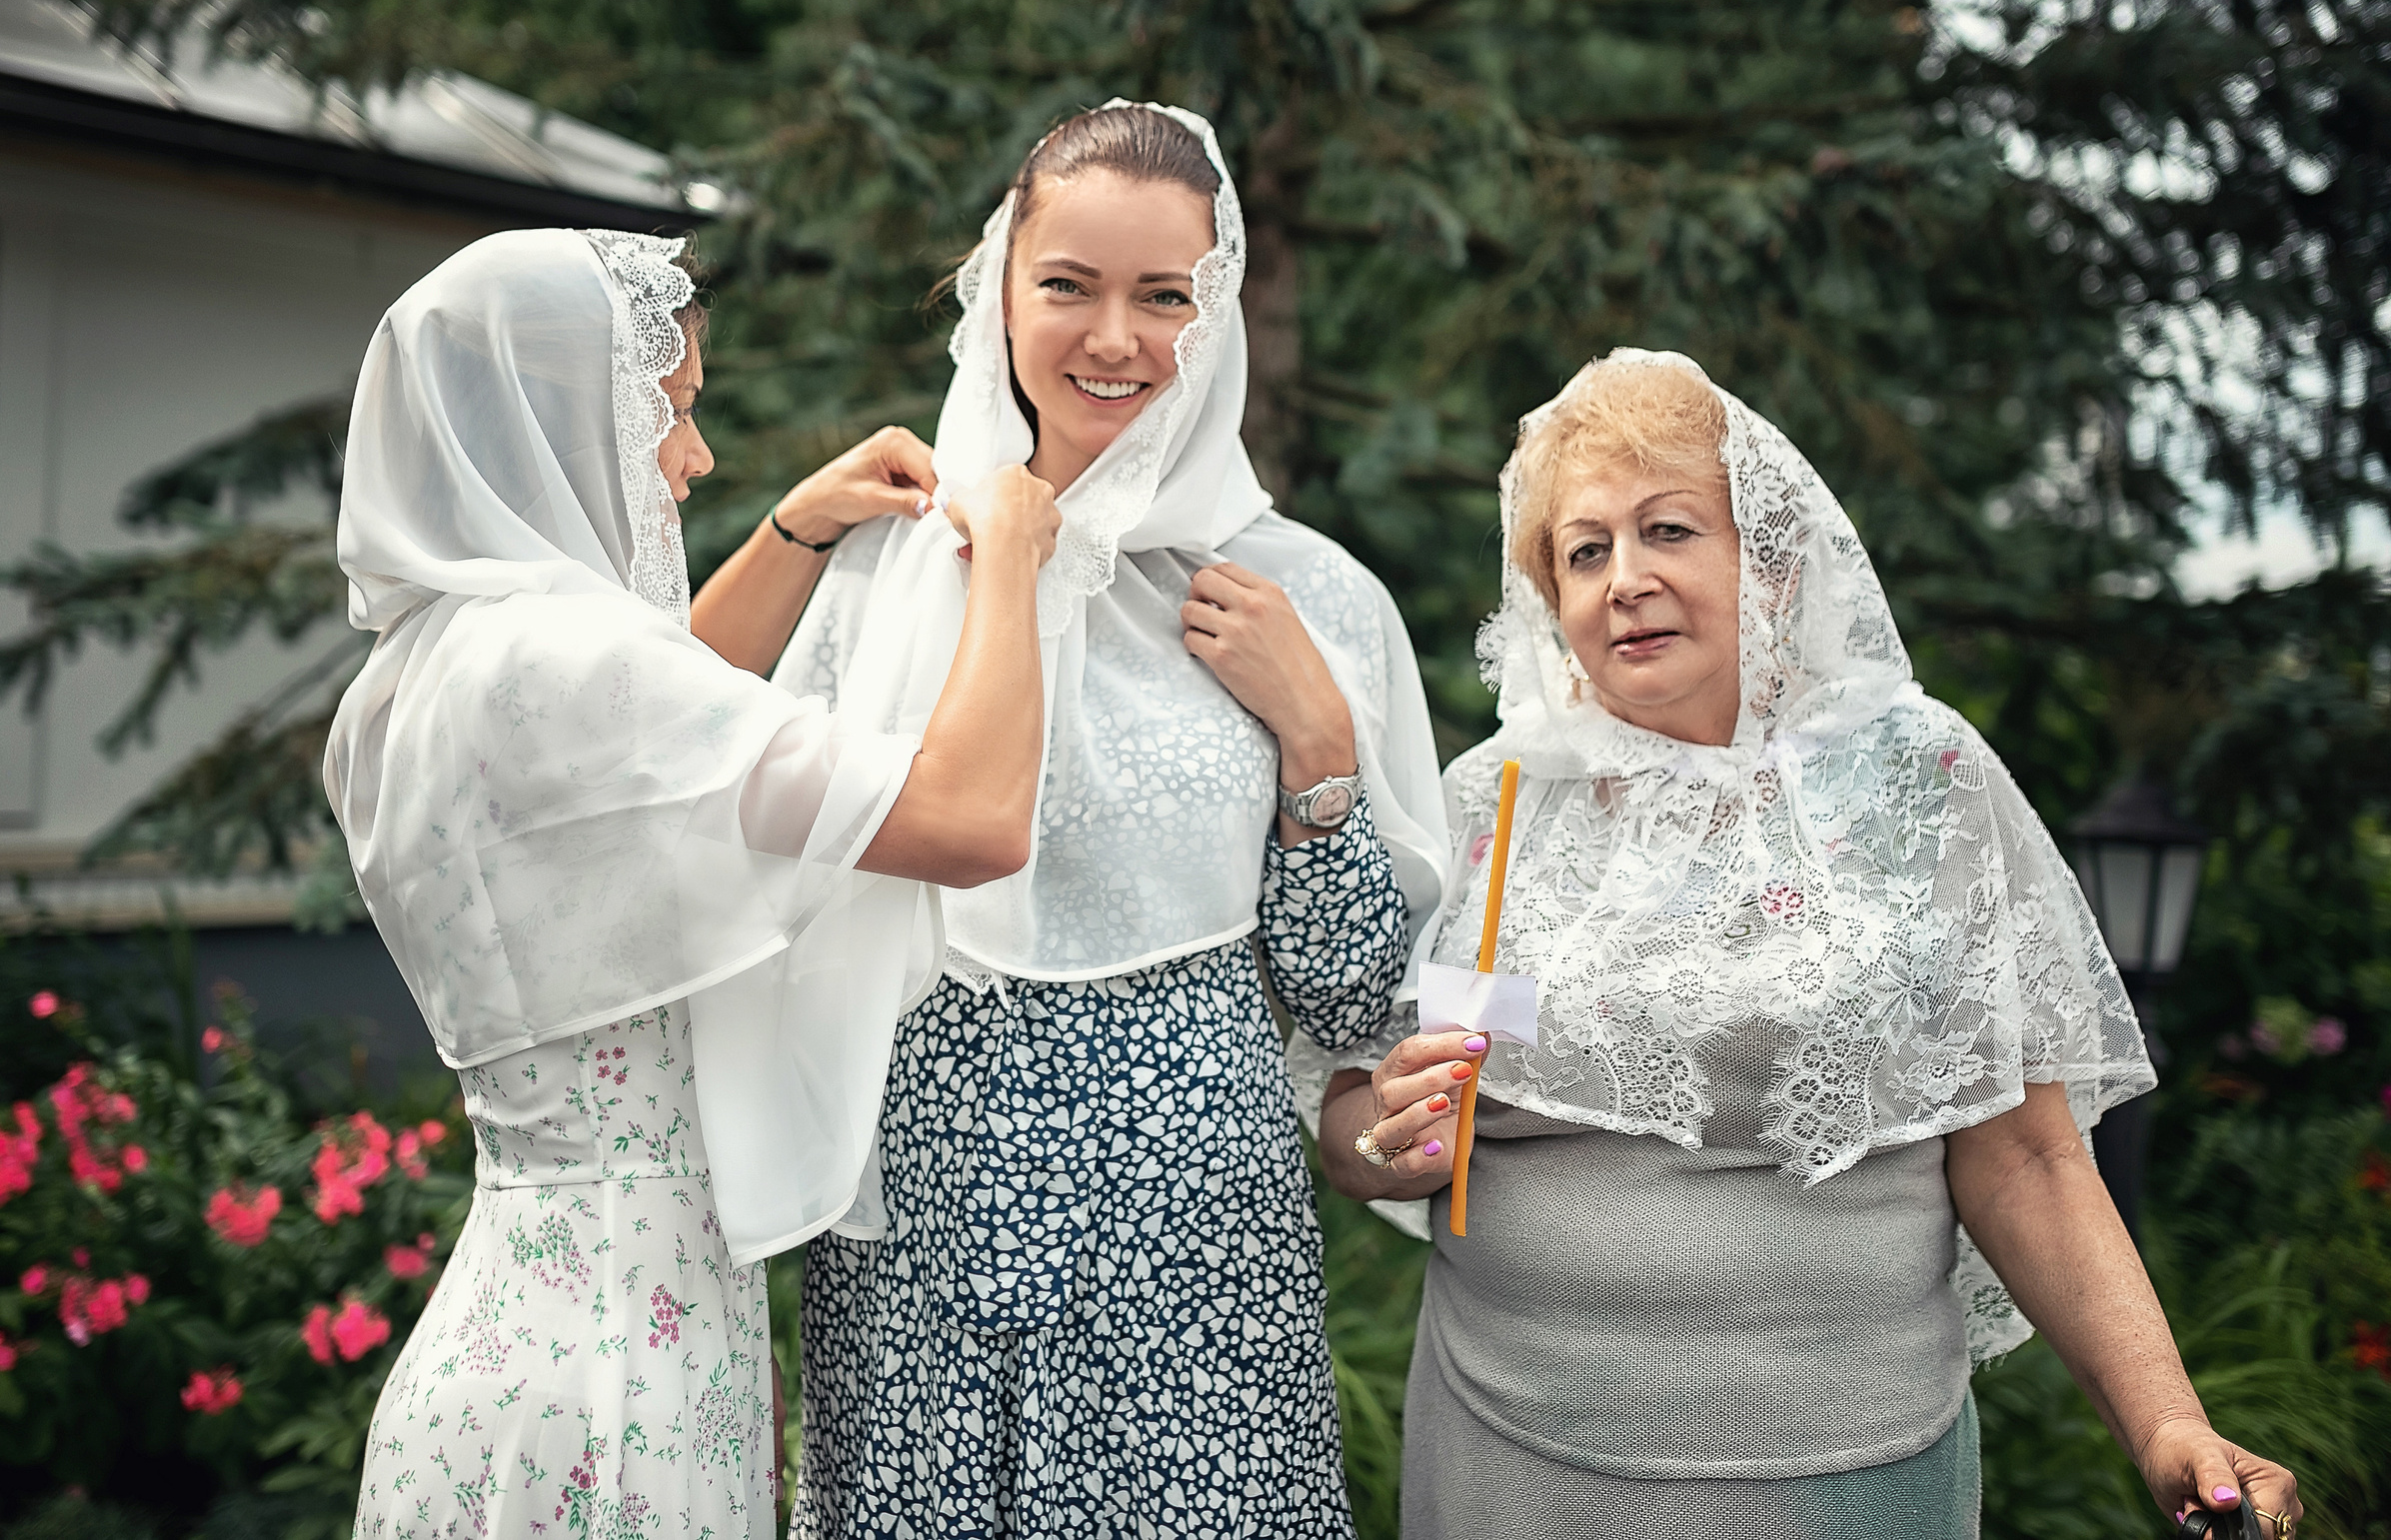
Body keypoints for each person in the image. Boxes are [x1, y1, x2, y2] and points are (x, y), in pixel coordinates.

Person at [1307, 349, 2304, 1539]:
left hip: (1850, 1474)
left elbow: (2027, 1155)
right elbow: (1353, 1109)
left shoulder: (1919, 784)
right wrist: (1381, 1140)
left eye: (1668, 530)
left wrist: (2165, 1423)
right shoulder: (1487, 807)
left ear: (1770, 562)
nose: (1624, 579)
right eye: (1584, 551)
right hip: (1518, 1462)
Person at [686, 102, 1450, 1536]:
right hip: (924, 1250)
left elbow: (1356, 998)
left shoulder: (1314, 598)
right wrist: (798, 531)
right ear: (1001, 292)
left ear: (1216, 315)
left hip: (1193, 1259)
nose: (1116, 336)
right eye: (1070, 286)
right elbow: (696, 798)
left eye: (1167, 295)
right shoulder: (891, 569)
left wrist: (1321, 740)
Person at [323, 227, 1063, 1539]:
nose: (694, 457)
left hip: (502, 1349)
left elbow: (657, 739)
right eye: (670, 411)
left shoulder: (410, 683)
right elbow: (971, 814)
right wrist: (1009, 545)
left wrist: (796, 528)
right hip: (625, 1380)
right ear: (558, 422)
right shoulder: (565, 663)